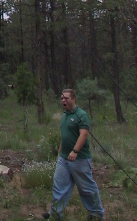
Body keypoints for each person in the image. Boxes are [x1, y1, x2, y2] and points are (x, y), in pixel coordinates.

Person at [42, 88, 104, 220]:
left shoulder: (81, 115)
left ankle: (96, 214)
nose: (63, 101)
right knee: (59, 185)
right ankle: (55, 213)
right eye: (62, 98)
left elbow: (84, 135)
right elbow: (64, 136)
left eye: (66, 98)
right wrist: (60, 153)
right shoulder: (64, 115)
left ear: (73, 99)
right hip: (64, 158)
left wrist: (75, 151)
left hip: (80, 159)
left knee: (86, 188)